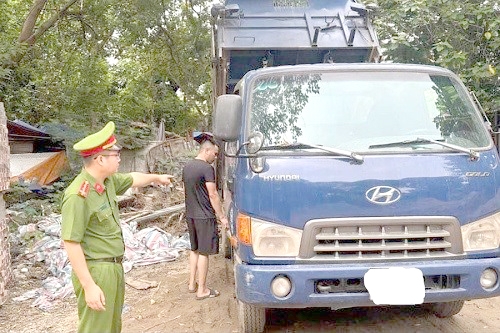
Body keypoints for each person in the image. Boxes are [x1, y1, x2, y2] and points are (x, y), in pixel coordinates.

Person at [61, 121, 173, 333]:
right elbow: (71, 243)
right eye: (116, 154)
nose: (120, 158)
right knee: (96, 329)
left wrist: (156, 178)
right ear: (100, 159)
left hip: (114, 268)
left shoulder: (106, 182)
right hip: (96, 271)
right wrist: (89, 286)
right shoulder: (78, 195)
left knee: (112, 328)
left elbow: (133, 179)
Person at [182, 133, 228, 300]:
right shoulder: (207, 169)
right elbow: (213, 194)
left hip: (190, 215)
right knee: (203, 253)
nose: (215, 158)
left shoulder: (187, 167)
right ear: (207, 150)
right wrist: (222, 216)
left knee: (194, 250)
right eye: (215, 154)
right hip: (204, 216)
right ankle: (202, 290)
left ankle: (191, 284)